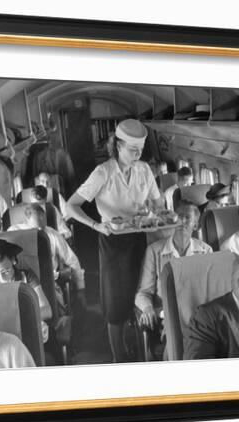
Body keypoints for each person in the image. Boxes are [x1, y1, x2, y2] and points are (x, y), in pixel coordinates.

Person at [67, 118, 162, 362]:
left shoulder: (144, 170)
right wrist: (95, 225)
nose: (138, 154)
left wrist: (150, 212)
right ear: (118, 146)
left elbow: (158, 202)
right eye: (133, 150)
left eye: (140, 150)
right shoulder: (103, 172)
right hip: (112, 242)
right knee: (116, 300)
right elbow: (71, 206)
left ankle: (141, 345)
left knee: (141, 292)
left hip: (139, 237)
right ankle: (118, 355)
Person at [135, 200, 213, 332]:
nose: (181, 221)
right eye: (178, 216)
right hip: (168, 316)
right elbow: (143, 293)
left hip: (197, 315)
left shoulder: (206, 251)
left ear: (195, 225)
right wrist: (147, 308)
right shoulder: (154, 251)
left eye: (187, 218)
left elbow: (210, 291)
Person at [8, 203, 86, 309]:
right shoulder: (13, 232)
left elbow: (71, 259)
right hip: (21, 279)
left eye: (43, 226)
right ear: (27, 220)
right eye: (37, 227)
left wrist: (80, 287)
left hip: (48, 280)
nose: (42, 231)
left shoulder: (52, 233)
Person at [0, 238, 52, 342]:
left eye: (6, 271)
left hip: (26, 329)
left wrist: (18, 320)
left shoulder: (27, 277)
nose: (2, 278)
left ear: (13, 260)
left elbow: (47, 311)